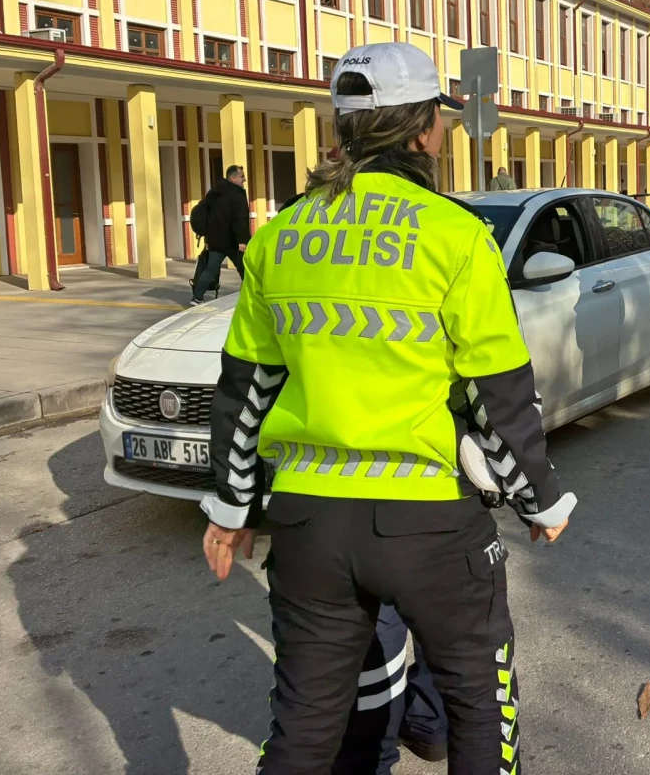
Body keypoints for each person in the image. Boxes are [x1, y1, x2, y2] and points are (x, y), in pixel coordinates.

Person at [199, 41, 576, 774]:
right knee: (478, 705)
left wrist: (230, 508)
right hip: (430, 522)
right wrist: (541, 501)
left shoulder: (279, 238)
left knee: (305, 727)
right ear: (423, 130)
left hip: (309, 521)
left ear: (341, 129)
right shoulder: (455, 236)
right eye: (438, 116)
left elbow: (246, 388)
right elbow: (497, 393)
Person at [190, 165, 250, 305]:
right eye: (242, 176)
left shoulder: (214, 192)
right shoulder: (237, 195)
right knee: (244, 268)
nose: (244, 179)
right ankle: (251, 295)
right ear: (233, 178)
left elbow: (207, 214)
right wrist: (242, 240)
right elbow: (239, 220)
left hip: (215, 240)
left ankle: (197, 297)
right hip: (232, 241)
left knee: (210, 269)